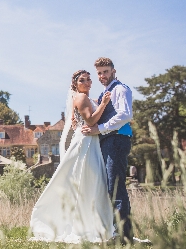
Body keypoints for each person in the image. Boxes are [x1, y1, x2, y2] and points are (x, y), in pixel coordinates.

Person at [29, 69, 114, 243]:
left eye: (89, 79)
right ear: (75, 84)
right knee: (88, 180)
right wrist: (104, 104)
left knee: (92, 181)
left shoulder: (88, 98)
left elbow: (82, 119)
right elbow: (90, 121)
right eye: (83, 80)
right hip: (86, 143)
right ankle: (84, 225)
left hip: (92, 140)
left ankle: (95, 223)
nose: (87, 82)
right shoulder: (81, 97)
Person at [81, 57, 133, 243]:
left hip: (117, 140)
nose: (102, 75)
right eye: (100, 73)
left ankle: (124, 235)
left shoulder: (120, 89)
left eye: (106, 71)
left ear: (113, 71)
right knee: (109, 186)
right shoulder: (106, 93)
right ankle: (115, 230)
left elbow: (125, 115)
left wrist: (99, 129)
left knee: (116, 187)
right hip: (108, 141)